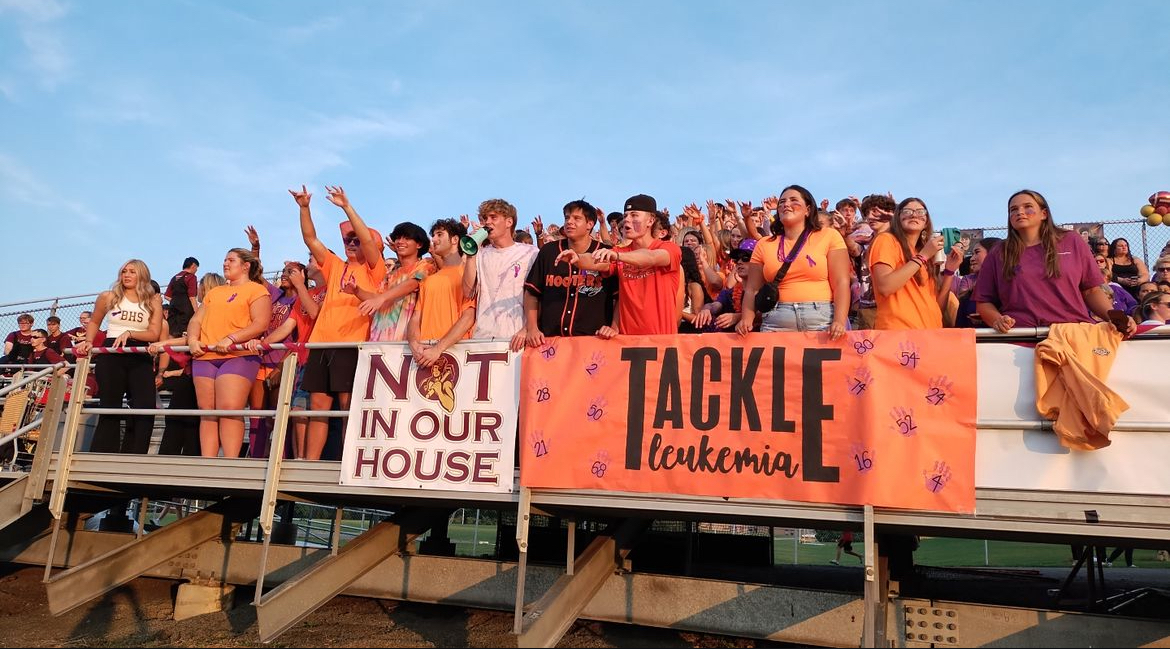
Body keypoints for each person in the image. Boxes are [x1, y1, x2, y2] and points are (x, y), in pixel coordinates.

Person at [290, 184, 387, 460]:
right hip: (321, 344)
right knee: (318, 409)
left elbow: (368, 241)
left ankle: (347, 462)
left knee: (347, 408)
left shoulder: (374, 269)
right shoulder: (334, 265)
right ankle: (310, 463)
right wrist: (305, 208)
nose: (352, 243)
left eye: (357, 239)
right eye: (348, 239)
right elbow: (311, 239)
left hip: (351, 345)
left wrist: (347, 206)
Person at [975, 190, 1136, 335]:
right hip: (1021, 338)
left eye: (1027, 207)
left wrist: (1116, 318)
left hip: (1073, 333)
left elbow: (1091, 291)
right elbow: (984, 302)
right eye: (1013, 209)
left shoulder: (1072, 240)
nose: (1020, 212)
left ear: (1044, 213)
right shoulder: (998, 252)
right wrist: (997, 320)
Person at [554, 194, 682, 335]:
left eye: (634, 215)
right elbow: (596, 261)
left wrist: (619, 257)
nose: (627, 219)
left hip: (661, 341)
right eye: (626, 215)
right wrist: (578, 258)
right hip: (627, 343)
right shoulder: (619, 251)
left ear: (650, 220)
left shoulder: (669, 248)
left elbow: (651, 257)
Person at [186, 249, 271, 458]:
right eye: (224, 259)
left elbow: (260, 323)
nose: (225, 263)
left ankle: (230, 462)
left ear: (246, 266)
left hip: (237, 355)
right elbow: (196, 320)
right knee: (207, 411)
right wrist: (192, 340)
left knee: (229, 408)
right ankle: (208, 462)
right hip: (206, 355)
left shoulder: (256, 290)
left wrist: (232, 338)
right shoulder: (214, 293)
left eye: (231, 260)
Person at [73, 260, 164, 454]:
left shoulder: (152, 300)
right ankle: (103, 452)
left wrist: (131, 333)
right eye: (124, 271)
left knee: (145, 405)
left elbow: (154, 333)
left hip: (139, 352)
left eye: (132, 271)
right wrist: (89, 341)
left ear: (142, 275)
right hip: (112, 351)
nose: (127, 275)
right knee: (110, 403)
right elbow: (95, 321)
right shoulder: (109, 296)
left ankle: (137, 453)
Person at [736, 185, 850, 338]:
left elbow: (841, 282)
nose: (786, 204)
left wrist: (839, 321)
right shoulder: (764, 244)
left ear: (808, 210)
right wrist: (746, 319)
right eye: (782, 202)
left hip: (821, 319)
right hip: (776, 320)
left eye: (793, 200)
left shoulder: (830, 236)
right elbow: (752, 289)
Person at [513, 199, 619, 349]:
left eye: (577, 218)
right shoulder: (549, 251)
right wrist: (532, 328)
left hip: (593, 342)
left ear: (590, 224)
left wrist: (614, 327)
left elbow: (619, 297)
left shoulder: (605, 253)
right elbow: (532, 292)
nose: (569, 222)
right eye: (567, 217)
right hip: (548, 342)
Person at [149, 273, 226, 457]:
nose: (197, 289)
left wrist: (164, 344)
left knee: (183, 417)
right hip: (197, 369)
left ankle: (173, 456)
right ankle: (183, 455)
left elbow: (193, 338)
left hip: (200, 370)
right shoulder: (204, 310)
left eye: (200, 285)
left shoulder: (212, 309)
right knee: (186, 417)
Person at [868, 197, 964, 330]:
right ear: (897, 218)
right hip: (899, 334)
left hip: (928, 334)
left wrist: (949, 272)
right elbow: (885, 287)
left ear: (926, 222)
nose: (914, 214)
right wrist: (923, 256)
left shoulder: (925, 254)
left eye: (920, 211)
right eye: (907, 211)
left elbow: (937, 307)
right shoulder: (886, 240)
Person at [462, 198, 539, 340]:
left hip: (518, 336)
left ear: (509, 222)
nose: (487, 222)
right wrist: (471, 255)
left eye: (493, 217)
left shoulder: (531, 253)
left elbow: (539, 295)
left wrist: (527, 328)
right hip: (483, 337)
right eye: (485, 218)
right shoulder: (480, 254)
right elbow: (468, 292)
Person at [407, 219, 476, 368]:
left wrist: (438, 349)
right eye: (433, 235)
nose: (434, 239)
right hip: (425, 357)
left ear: (455, 239)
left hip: (457, 354)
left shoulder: (468, 274)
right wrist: (413, 344)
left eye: (439, 234)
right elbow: (415, 318)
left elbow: (469, 316)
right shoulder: (428, 280)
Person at [352, 222, 434, 342]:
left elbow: (412, 284)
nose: (400, 241)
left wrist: (381, 298)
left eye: (406, 238)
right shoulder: (390, 275)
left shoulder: (425, 264)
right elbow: (376, 298)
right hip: (378, 339)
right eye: (398, 238)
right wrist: (356, 290)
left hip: (405, 341)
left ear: (419, 244)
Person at [852, 194, 896, 329]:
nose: (870, 216)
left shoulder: (900, 240)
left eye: (875, 212)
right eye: (866, 213)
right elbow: (854, 249)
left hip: (893, 306)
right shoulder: (867, 240)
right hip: (867, 306)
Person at [952, 237, 1002, 328]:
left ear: (993, 253)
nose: (971, 259)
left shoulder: (1011, 290)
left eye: (977, 252)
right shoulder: (968, 297)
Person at [164, 257, 200, 336]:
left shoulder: (174, 278)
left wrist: (176, 301)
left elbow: (166, 296)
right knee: (186, 334)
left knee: (171, 334)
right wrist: (197, 313)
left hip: (173, 310)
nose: (196, 271)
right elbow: (192, 297)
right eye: (196, 269)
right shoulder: (191, 277)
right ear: (193, 266)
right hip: (186, 311)